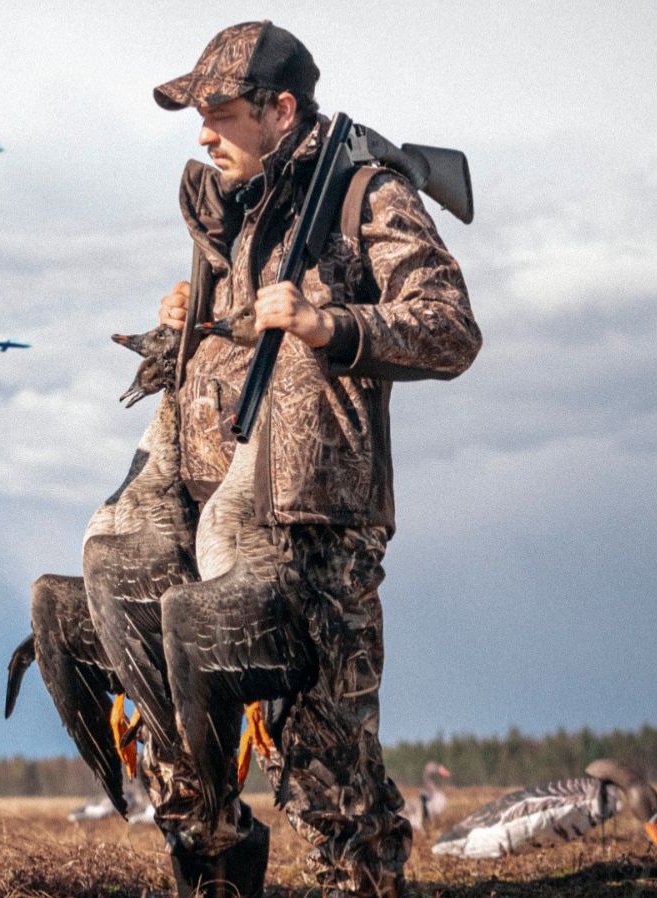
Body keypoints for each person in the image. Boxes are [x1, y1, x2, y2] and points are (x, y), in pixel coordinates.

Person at [147, 20, 482, 898]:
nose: (203, 133)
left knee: (327, 762)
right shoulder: (249, 208)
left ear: (282, 109)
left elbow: (451, 327)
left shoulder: (367, 192)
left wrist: (331, 324)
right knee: (250, 739)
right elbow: (252, 350)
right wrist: (193, 323)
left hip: (323, 523)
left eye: (220, 112)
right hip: (232, 507)